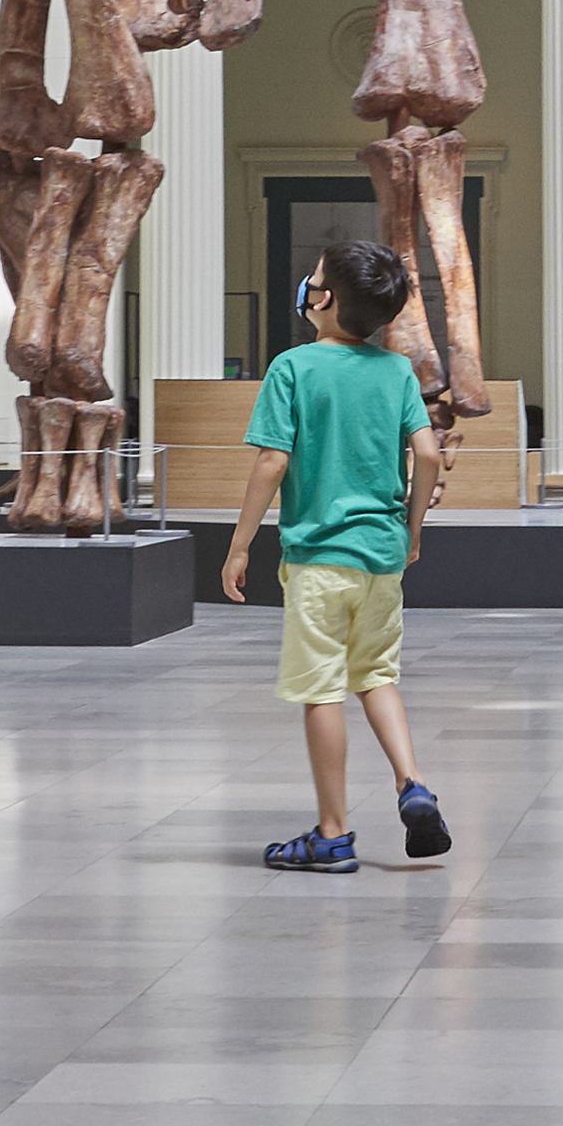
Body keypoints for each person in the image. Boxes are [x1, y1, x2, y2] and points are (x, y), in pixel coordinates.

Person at [218, 240, 451, 874]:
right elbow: (428, 455)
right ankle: (412, 783)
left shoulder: (292, 368)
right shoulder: (397, 371)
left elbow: (272, 461)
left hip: (319, 560)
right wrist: (412, 528)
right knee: (376, 675)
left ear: (323, 301)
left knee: (322, 690)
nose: (307, 284)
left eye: (315, 278)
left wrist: (239, 545)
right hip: (381, 556)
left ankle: (333, 834)